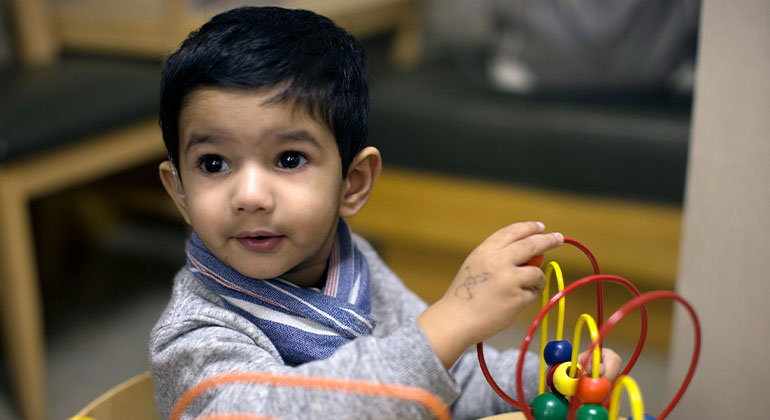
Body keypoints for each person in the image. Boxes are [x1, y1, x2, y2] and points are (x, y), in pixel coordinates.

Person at [150, 6, 619, 420]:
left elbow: (450, 377)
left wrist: (552, 382)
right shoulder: (194, 334)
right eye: (213, 164)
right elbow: (281, 410)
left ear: (352, 185)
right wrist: (452, 318)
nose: (249, 195)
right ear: (181, 193)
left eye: (289, 159)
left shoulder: (352, 266)